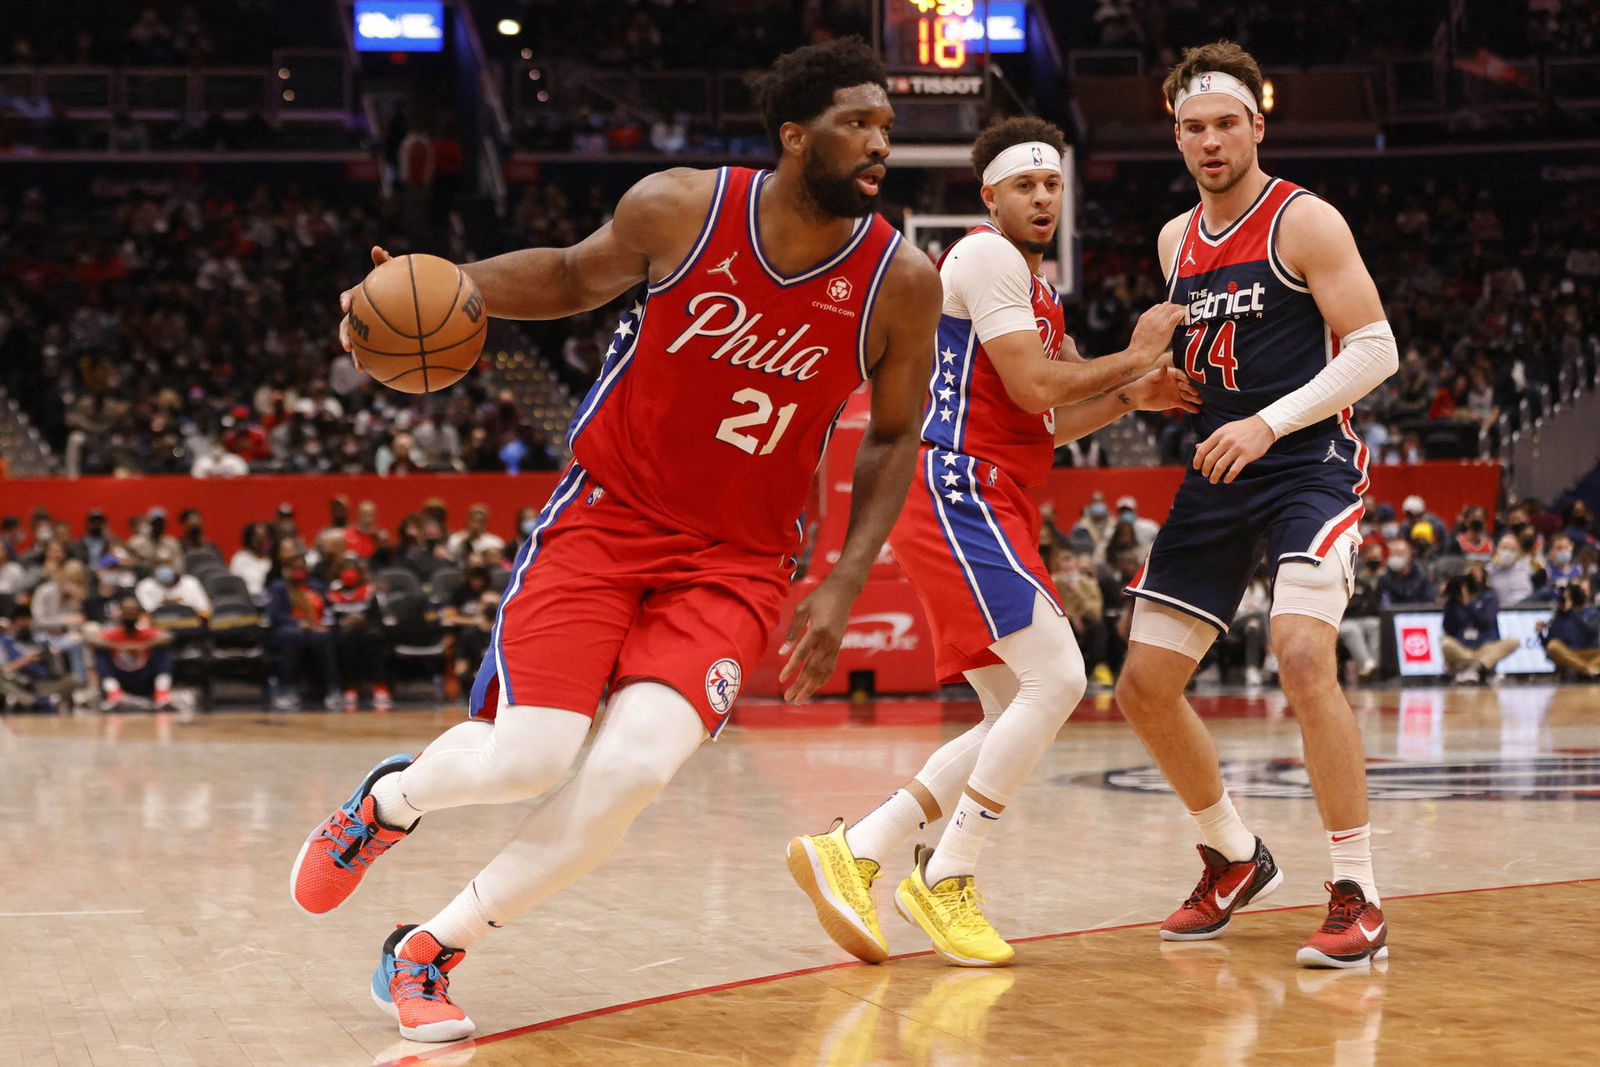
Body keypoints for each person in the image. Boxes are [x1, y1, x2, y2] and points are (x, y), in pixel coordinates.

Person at [291, 38, 942, 1042]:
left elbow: (896, 432)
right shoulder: (681, 207)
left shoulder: (899, 279)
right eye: (858, 124)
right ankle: (388, 801)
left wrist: (847, 576)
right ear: (794, 134)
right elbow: (563, 274)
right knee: (529, 755)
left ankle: (428, 945)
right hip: (609, 517)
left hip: (740, 559)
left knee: (633, 769)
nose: (877, 147)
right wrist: (433, 280)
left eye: (886, 130)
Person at [786, 115, 1190, 967]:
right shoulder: (983, 257)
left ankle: (855, 850)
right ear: (990, 196)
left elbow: (1051, 416)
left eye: (1052, 186)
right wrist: (1134, 353)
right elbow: (1037, 380)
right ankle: (948, 873)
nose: (1042, 199)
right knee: (1062, 676)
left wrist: (1130, 396)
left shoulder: (1036, 292)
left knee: (1017, 704)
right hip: (955, 482)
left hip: (993, 489)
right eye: (1025, 186)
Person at [1116, 41, 1398, 969]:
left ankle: (1356, 889)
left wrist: (1269, 425)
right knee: (1143, 687)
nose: (1209, 141)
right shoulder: (1174, 241)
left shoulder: (1304, 220)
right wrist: (1157, 381)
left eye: (1225, 124)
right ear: (1178, 134)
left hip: (1307, 459)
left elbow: (1373, 350)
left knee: (1301, 652)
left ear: (1257, 128)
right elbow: (1215, 362)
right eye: (1192, 127)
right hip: (1221, 464)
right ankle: (1236, 856)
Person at [87, 596, 174, 710]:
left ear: (139, 614)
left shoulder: (146, 633)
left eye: (133, 612)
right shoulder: (113, 634)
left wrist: (144, 646)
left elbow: (168, 637)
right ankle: (114, 695)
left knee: (163, 649)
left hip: (144, 679)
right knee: (101, 652)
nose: (129, 615)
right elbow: (92, 640)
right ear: (120, 613)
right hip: (122, 679)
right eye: (126, 612)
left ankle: (162, 695)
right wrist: (119, 647)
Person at [1441, 571, 1518, 684]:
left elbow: (1485, 622)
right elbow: (1448, 629)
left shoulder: (1488, 599)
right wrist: (1450, 604)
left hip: (1484, 647)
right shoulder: (1453, 606)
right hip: (1464, 650)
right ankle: (1479, 667)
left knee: (1513, 642)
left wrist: (1469, 605)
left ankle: (1474, 668)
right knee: (1446, 643)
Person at [1539, 581, 1600, 679]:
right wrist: (1540, 634)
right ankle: (1587, 670)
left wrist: (1572, 612)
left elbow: (1590, 631)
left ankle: (1580, 669)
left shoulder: (1593, 611)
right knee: (1553, 646)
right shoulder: (1560, 615)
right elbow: (1549, 645)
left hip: (1591, 652)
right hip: (1569, 653)